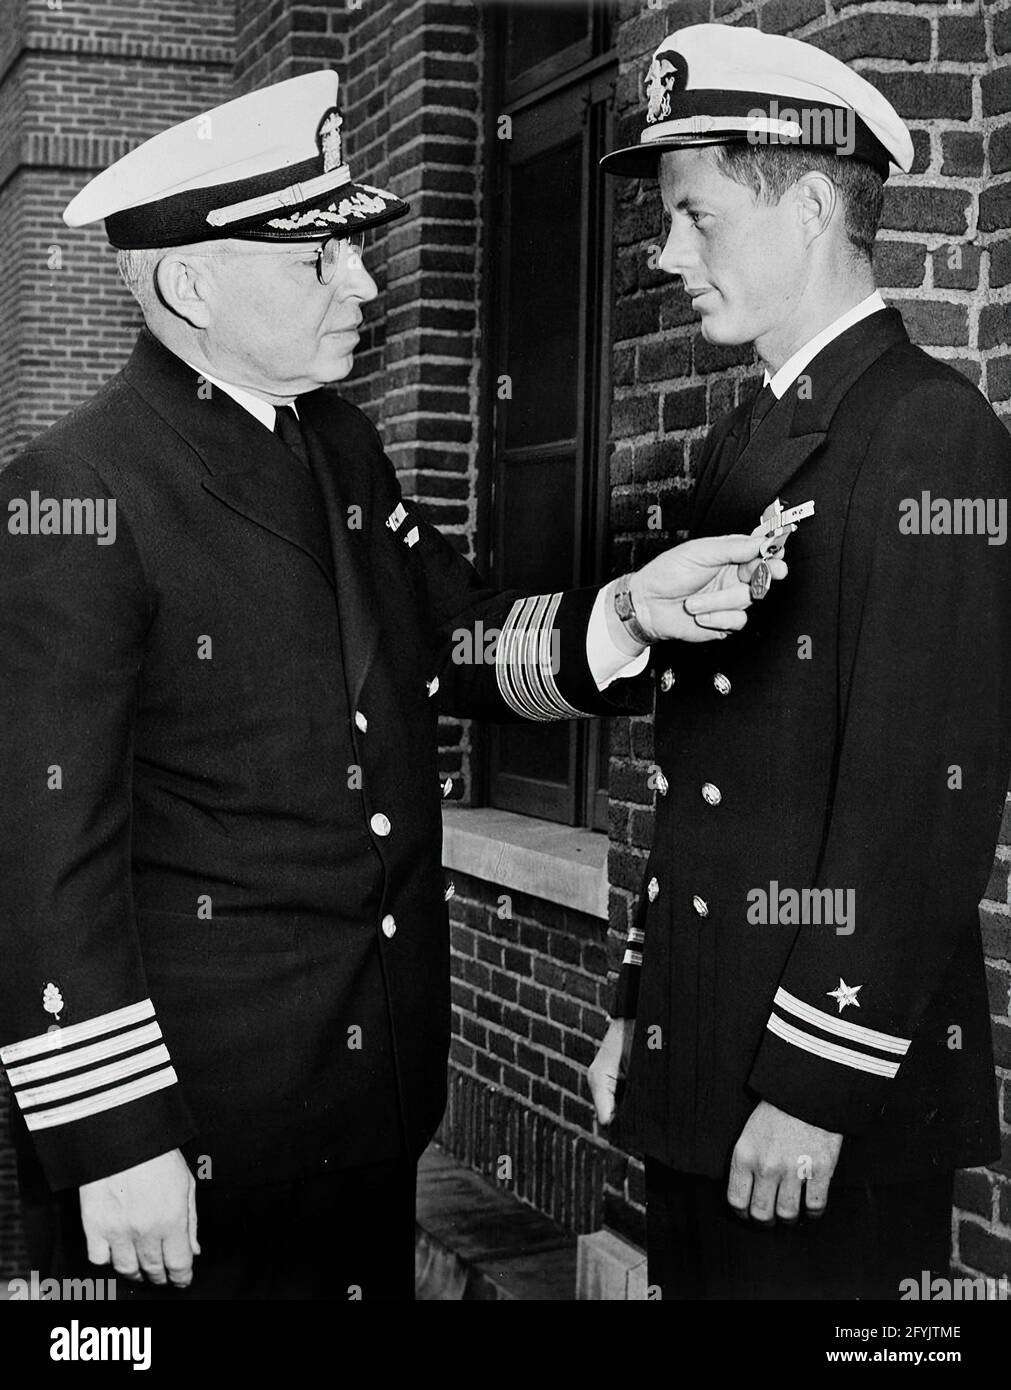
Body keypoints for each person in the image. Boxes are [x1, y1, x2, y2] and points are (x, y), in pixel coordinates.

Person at [0, 68, 777, 1301]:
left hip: (368, 1100)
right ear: (191, 285)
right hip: (190, 1140)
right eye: (320, 262)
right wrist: (112, 1138)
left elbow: (449, 645)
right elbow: (41, 849)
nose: (364, 282)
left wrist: (627, 614)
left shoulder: (337, 442)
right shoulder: (82, 492)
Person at [588, 23, 1011, 1301]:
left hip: (818, 1103)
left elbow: (922, 800)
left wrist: (820, 1083)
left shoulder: (929, 432)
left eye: (697, 218)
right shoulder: (755, 432)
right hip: (710, 1056)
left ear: (815, 204)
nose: (668, 256)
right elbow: (706, 780)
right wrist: (638, 1008)